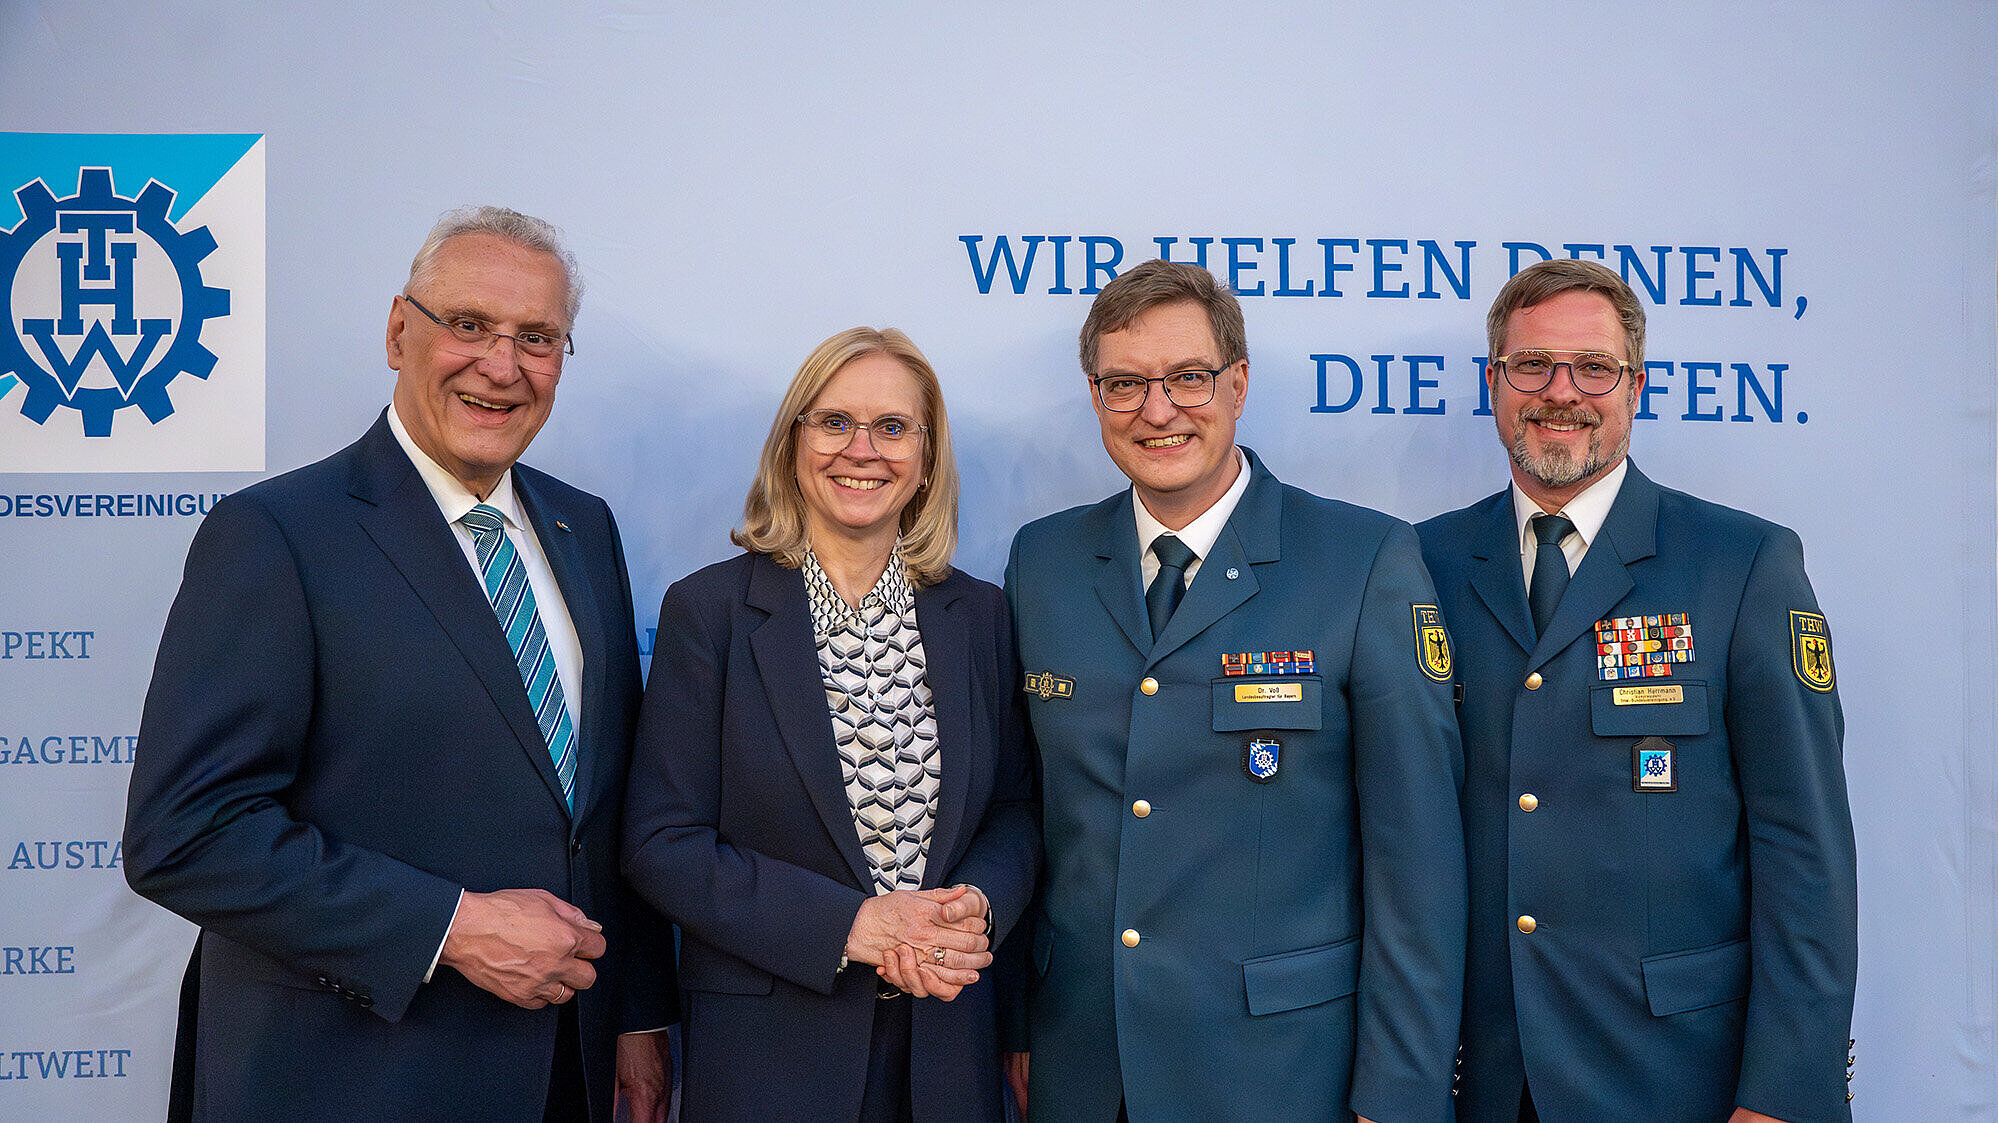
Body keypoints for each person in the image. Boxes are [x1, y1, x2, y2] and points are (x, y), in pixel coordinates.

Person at [123, 206, 675, 1122]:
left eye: (537, 338)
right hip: (346, 1077)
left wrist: (638, 1011)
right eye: (468, 325)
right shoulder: (275, 537)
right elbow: (186, 835)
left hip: (557, 1075)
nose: (502, 366)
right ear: (397, 331)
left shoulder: (587, 527)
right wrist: (452, 927)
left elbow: (604, 804)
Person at [1003, 259, 1466, 1121]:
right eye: (1124, 384)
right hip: (1082, 1067)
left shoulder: (1364, 562)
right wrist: (1020, 1026)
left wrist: (1400, 1092)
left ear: (1239, 383)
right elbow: (1026, 814)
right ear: (1095, 394)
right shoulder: (1044, 561)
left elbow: (1419, 860)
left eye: (1188, 377)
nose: (1158, 409)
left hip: (1282, 1073)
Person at [1416, 258, 1858, 1122]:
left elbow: (1804, 852)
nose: (1561, 392)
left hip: (1679, 1076)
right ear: (1494, 383)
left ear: (1637, 385)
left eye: (1594, 368)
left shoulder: (1742, 565)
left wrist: (1783, 1094)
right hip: (1486, 1079)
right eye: (1533, 365)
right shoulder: (1421, 565)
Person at [623, 326, 1038, 1121]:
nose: (863, 449)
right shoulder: (710, 611)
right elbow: (659, 841)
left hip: (948, 1051)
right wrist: (854, 925)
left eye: (892, 427)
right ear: (793, 442)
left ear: (925, 457)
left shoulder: (980, 614)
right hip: (770, 1057)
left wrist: (975, 906)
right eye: (835, 421)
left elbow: (1018, 809)